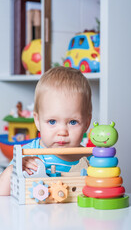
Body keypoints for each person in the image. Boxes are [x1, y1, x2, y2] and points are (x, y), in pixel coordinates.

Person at [0, 66, 92, 195]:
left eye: (72, 122)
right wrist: (14, 169)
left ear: (86, 123)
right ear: (37, 121)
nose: (62, 132)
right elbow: (2, 194)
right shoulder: (27, 155)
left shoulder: (91, 160)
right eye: (52, 121)